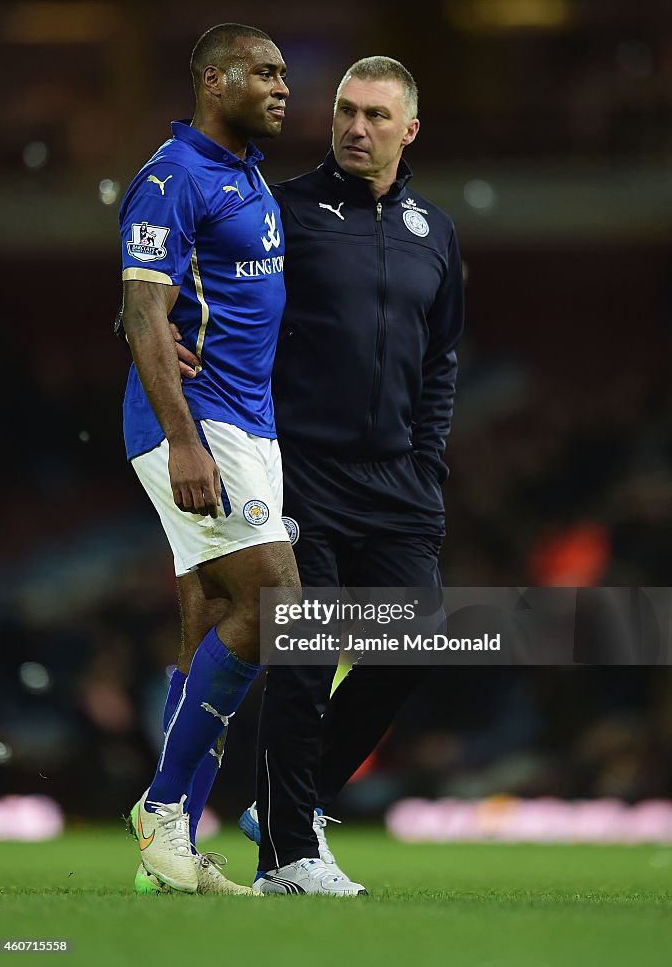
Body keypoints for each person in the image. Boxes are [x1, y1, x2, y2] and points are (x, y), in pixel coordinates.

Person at [165, 56, 465, 895]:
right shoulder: (280, 209)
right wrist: (161, 333)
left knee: (415, 643)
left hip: (398, 480)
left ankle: (290, 808)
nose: (354, 129)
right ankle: (287, 858)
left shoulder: (433, 232)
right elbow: (181, 280)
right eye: (344, 111)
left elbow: (439, 361)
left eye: (374, 116)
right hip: (300, 471)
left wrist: (427, 462)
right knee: (305, 655)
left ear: (407, 131)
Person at [118, 23, 301, 896]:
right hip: (199, 428)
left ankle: (173, 853)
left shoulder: (245, 174)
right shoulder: (172, 175)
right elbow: (144, 309)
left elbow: (171, 301)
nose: (281, 87)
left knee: (205, 635)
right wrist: (186, 438)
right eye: (263, 73)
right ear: (214, 78)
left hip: (249, 427)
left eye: (283, 75)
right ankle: (159, 806)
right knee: (274, 605)